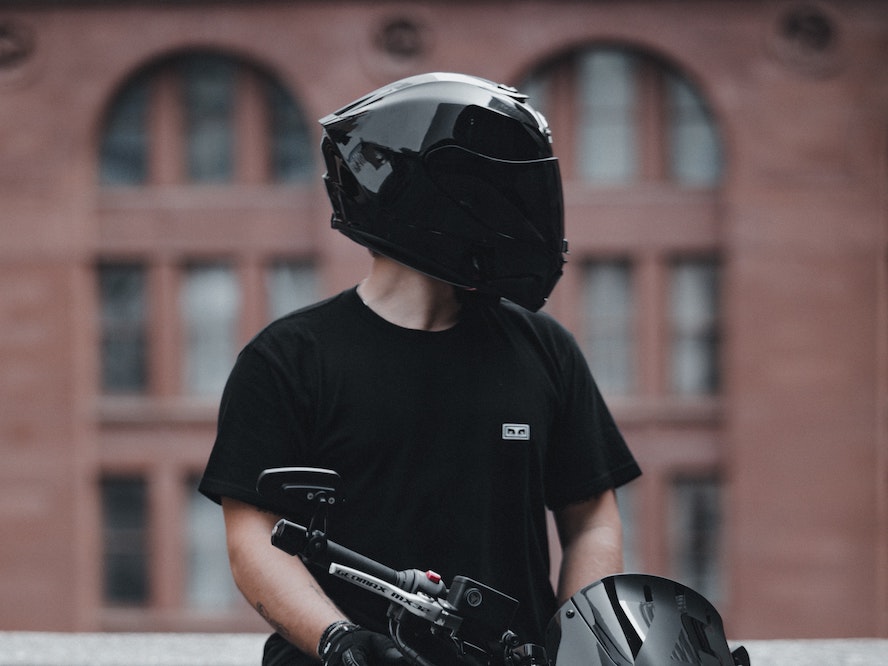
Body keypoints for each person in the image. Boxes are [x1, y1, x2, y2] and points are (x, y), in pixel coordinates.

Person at [198, 72, 641, 666]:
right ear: (435, 198)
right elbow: (254, 536)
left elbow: (592, 520)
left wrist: (582, 649)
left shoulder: (546, 349)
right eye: (495, 192)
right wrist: (342, 642)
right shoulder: (287, 359)